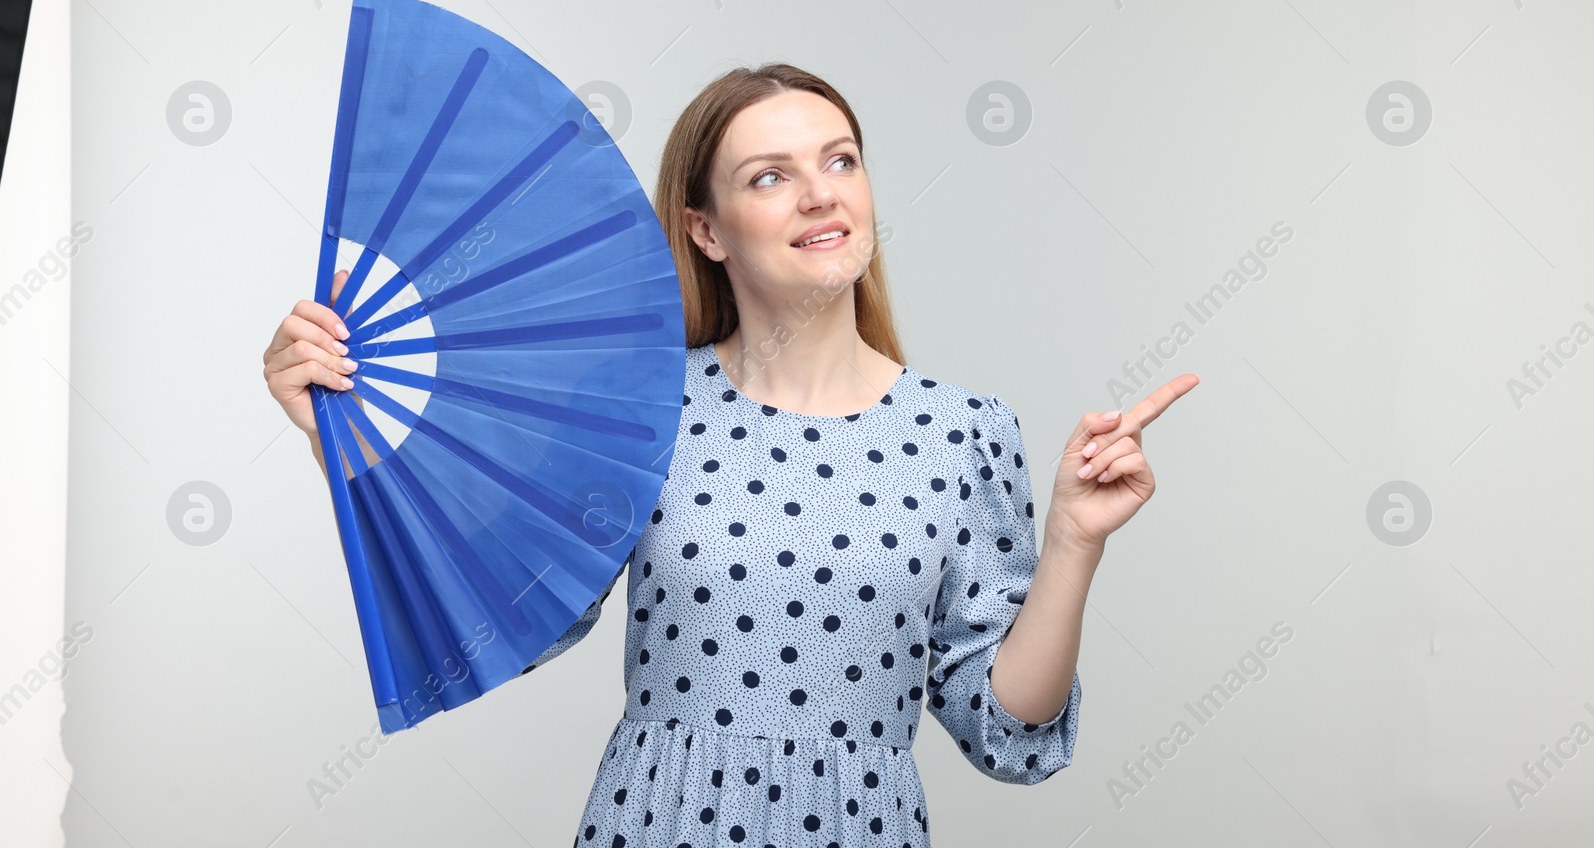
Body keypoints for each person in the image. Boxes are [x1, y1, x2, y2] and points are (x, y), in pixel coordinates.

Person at [261, 62, 1197, 845]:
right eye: (769, 175)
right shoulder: (645, 405)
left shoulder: (965, 432)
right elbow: (505, 613)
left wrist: (1075, 539)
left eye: (841, 160)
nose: (821, 190)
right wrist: (340, 438)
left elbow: (1006, 732)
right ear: (706, 230)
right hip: (657, 820)